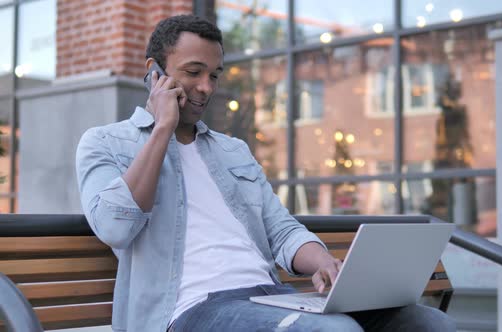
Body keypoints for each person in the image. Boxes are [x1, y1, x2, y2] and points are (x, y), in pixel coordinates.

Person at [76, 15, 456, 332]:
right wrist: (162, 128)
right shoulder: (105, 143)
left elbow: (281, 230)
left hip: (266, 298)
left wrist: (324, 263)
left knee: (427, 323)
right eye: (193, 72)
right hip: (187, 311)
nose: (206, 88)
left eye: (215, 75)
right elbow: (115, 227)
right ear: (154, 73)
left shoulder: (232, 150)